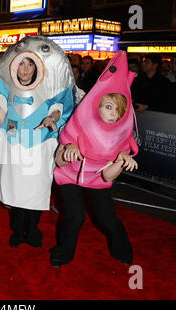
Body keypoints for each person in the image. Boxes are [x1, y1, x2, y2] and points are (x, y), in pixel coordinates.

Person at [0, 36, 78, 249]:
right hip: (14, 146)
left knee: (36, 191)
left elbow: (57, 108)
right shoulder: (4, 86)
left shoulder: (50, 86)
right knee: (15, 190)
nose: (25, 68)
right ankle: (17, 229)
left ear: (36, 66)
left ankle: (32, 229)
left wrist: (52, 119)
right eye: (21, 62)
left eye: (30, 64)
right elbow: (0, 114)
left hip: (39, 146)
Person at [49, 51, 138, 269]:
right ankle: (62, 254)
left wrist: (120, 161)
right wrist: (68, 148)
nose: (111, 113)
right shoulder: (79, 121)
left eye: (117, 110)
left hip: (97, 180)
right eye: (107, 106)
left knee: (107, 220)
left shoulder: (122, 138)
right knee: (75, 216)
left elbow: (107, 176)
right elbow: (59, 163)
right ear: (97, 104)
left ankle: (122, 251)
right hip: (70, 176)